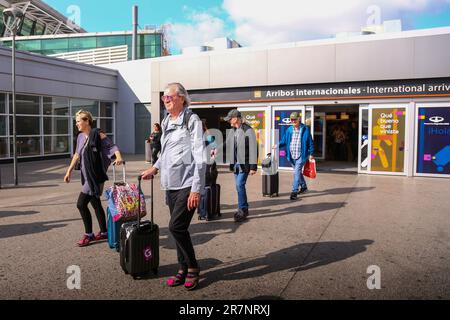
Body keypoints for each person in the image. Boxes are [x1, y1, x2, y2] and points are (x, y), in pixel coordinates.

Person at [141, 82, 205, 290]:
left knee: (175, 227)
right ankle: (182, 268)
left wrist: (196, 188)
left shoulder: (191, 120)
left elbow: (200, 156)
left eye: (169, 97)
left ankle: (193, 267)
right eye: (163, 98)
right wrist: (155, 168)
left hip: (187, 183)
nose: (165, 100)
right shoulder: (167, 121)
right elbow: (165, 153)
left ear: (181, 98)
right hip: (171, 184)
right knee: (181, 229)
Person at [64, 110, 124, 247]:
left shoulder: (97, 134)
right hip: (85, 175)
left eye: (79, 121)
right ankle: (103, 231)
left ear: (87, 121)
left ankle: (88, 234)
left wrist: (119, 157)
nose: (76, 124)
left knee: (81, 204)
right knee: (95, 203)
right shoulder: (80, 137)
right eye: (76, 121)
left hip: (95, 176)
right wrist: (69, 171)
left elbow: (112, 146)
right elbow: (77, 155)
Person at [224, 109, 257, 222]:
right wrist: (216, 149)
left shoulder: (248, 130)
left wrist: (253, 167)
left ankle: (243, 210)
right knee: (239, 188)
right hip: (236, 164)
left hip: (245, 163)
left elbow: (253, 149)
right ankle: (242, 209)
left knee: (239, 185)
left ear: (236, 118)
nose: (228, 121)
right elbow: (227, 143)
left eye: (230, 119)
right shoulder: (233, 130)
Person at [274, 112, 314, 200]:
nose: (293, 121)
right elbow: (284, 141)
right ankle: (303, 187)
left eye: (294, 119)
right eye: (291, 120)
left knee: (296, 172)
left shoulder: (305, 129)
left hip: (301, 155)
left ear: (299, 119)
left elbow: (310, 142)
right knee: (298, 172)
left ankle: (294, 192)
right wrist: (277, 145)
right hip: (291, 155)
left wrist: (311, 153)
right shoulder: (289, 130)